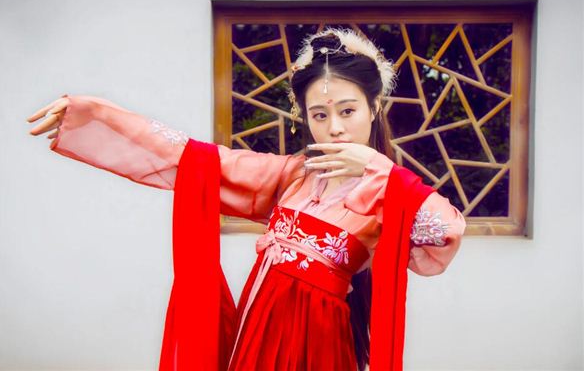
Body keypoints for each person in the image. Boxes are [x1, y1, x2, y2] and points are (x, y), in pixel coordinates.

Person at [27, 27, 466, 371]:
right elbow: (193, 158)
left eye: (347, 111)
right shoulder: (292, 175)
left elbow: (446, 230)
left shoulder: (390, 193)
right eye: (319, 114)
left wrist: (375, 168)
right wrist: (95, 113)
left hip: (317, 347)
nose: (334, 127)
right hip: (255, 333)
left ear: (375, 108)